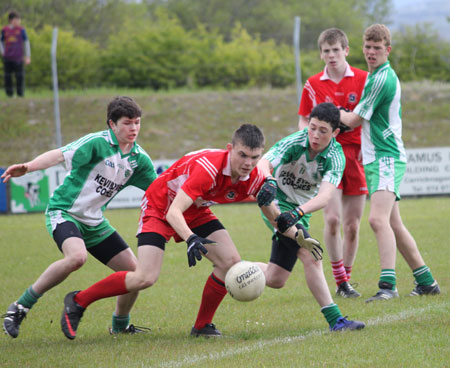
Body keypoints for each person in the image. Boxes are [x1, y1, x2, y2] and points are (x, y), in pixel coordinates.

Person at [58, 124, 274, 340]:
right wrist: (191, 238)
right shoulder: (209, 167)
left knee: (229, 262)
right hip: (160, 207)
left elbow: (273, 210)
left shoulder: (252, 174)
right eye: (243, 155)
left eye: (254, 157)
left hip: (194, 210)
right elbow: (173, 212)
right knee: (145, 277)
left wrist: (299, 233)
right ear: (230, 148)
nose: (248, 163)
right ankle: (78, 301)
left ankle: (202, 326)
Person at [1, 96, 157, 338]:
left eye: (137, 123)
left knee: (136, 274)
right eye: (127, 123)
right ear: (112, 124)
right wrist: (29, 166)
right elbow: (59, 155)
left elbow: (161, 190)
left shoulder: (138, 160)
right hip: (64, 212)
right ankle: (20, 307)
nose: (134, 128)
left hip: (95, 222)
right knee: (76, 257)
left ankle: (119, 325)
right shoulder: (97, 143)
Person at [339, 24, 440, 302]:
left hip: (386, 157)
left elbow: (354, 120)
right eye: (368, 47)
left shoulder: (382, 79)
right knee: (394, 223)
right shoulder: (375, 77)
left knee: (376, 220)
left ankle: (387, 286)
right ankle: (426, 281)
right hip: (377, 158)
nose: (371, 52)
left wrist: (330, 114)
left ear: (388, 50)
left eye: (377, 48)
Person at [256, 102, 365, 331]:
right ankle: (336, 320)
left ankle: (231, 268)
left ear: (335, 133)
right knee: (311, 253)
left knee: (276, 278)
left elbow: (325, 197)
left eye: (322, 131)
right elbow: (264, 162)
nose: (315, 135)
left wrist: (298, 212)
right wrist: (268, 180)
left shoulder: (336, 157)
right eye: (312, 127)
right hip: (275, 203)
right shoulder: (296, 142)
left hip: (298, 212)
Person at [298, 28, 368, 298]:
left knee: (352, 225)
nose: (331, 55)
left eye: (336, 50)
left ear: (346, 51)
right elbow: (304, 118)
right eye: (326, 51)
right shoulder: (314, 83)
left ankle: (345, 281)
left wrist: (369, 148)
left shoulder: (363, 79)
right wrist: (308, 142)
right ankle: (340, 282)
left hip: (358, 155)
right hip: (329, 157)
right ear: (321, 54)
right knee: (333, 219)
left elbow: (371, 118)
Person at [1, 11, 31, 97]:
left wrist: (28, 56)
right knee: (8, 77)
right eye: (16, 19)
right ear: (11, 20)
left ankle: (20, 94)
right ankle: (9, 95)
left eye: (19, 20)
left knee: (20, 77)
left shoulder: (21, 30)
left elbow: (26, 42)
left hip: (19, 58)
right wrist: (3, 52)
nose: (18, 21)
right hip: (7, 58)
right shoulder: (4, 30)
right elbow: (1, 41)